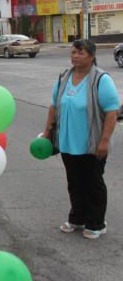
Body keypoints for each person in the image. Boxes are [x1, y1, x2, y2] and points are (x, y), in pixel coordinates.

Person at [42, 39, 119, 240]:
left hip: (92, 143)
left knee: (93, 183)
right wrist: (47, 133)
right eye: (73, 52)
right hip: (68, 142)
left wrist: (104, 141)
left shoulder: (101, 80)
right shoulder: (63, 78)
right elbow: (53, 107)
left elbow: (111, 113)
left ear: (91, 56)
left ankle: (96, 223)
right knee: (74, 182)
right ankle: (77, 218)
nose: (75, 56)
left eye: (81, 53)